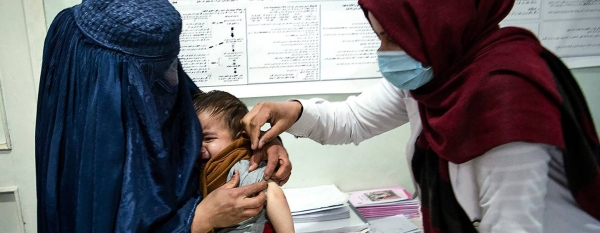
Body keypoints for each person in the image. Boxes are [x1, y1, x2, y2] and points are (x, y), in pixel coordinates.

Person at [241, 0, 600, 232]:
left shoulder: (507, 98)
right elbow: (352, 119)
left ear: (438, 25)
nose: (384, 54)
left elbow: (513, 225)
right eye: (380, 37)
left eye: (394, 39)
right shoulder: (439, 73)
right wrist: (293, 111)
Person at [35, 0, 291, 232]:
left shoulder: (164, 87)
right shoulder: (90, 128)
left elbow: (211, 114)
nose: (167, 82)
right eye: (150, 77)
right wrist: (198, 220)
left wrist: (264, 142)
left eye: (171, 66)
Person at [192, 90, 295, 233]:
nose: (199, 146)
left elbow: (274, 193)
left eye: (208, 138)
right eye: (193, 140)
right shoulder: (196, 172)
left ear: (239, 138)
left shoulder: (242, 168)